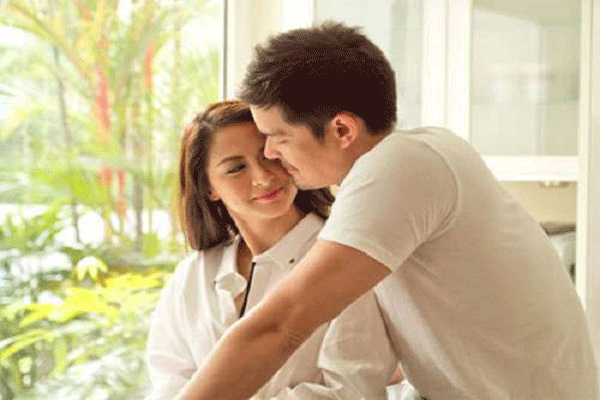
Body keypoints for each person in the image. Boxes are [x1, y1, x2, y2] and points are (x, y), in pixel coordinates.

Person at [176, 24, 598, 400]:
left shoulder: (397, 168)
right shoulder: (424, 153)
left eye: (278, 137)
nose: (270, 153)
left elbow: (281, 325)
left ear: (342, 129)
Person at [145, 100, 399, 400]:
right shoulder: (194, 274)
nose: (263, 177)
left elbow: (353, 389)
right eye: (236, 168)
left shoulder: (345, 257)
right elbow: (169, 379)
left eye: (268, 156)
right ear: (208, 187)